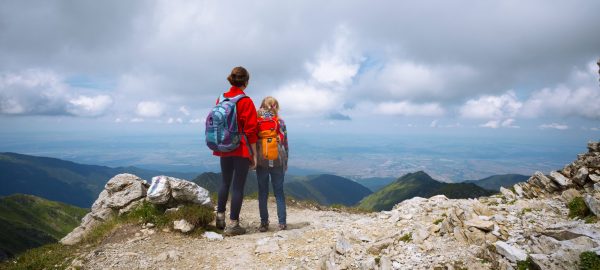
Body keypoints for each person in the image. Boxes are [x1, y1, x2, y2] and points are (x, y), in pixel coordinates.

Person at [213, 66, 258, 236]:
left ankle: (219, 217)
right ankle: (233, 224)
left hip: (224, 147)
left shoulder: (221, 98)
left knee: (225, 182)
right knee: (238, 186)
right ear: (246, 82)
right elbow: (251, 131)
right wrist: (254, 155)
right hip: (241, 149)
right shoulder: (246, 101)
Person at [255, 96, 288, 232]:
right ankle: (282, 223)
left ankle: (264, 223)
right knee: (279, 192)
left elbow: (253, 140)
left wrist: (254, 158)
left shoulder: (257, 121)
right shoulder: (280, 122)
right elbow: (285, 143)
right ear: (276, 107)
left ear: (262, 106)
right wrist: (286, 161)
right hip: (278, 159)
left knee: (263, 193)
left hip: (262, 160)